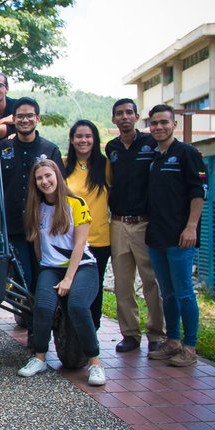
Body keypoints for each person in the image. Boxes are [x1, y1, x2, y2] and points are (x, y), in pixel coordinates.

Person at [18, 159, 105, 386]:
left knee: (77, 305)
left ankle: (95, 363)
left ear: (57, 176)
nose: (45, 181)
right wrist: (46, 273)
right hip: (51, 268)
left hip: (82, 267)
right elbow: (38, 246)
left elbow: (79, 245)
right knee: (43, 306)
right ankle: (39, 358)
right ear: (35, 183)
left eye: (48, 176)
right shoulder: (36, 209)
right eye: (39, 178)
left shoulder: (76, 204)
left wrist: (68, 278)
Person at [0, 97, 64, 292]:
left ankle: (40, 318)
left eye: (29, 116)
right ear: (13, 119)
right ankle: (27, 317)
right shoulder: (3, 147)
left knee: (44, 275)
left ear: (37, 118)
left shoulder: (50, 149)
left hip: (44, 226)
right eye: (20, 116)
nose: (25, 120)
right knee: (23, 278)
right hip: (13, 225)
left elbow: (61, 188)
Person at [145, 105, 207, 367]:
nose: (159, 127)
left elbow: (199, 192)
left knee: (184, 293)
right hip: (156, 235)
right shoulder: (155, 157)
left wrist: (191, 226)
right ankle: (172, 342)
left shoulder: (188, 153)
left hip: (181, 237)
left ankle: (190, 348)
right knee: (167, 293)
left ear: (174, 124)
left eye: (163, 122)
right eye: (154, 123)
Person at [105, 98, 165, 353]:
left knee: (151, 281)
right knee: (122, 283)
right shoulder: (112, 148)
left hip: (144, 222)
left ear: (137, 116)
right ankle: (130, 333)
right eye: (119, 114)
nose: (124, 117)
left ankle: (156, 334)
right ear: (114, 119)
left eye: (129, 113)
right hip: (118, 222)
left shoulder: (151, 144)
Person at [63, 120, 111, 330]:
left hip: (98, 239)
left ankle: (93, 330)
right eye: (79, 136)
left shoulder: (106, 166)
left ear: (95, 139)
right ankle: (70, 334)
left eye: (88, 136)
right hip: (68, 240)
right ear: (72, 140)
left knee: (94, 288)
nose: (84, 140)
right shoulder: (63, 165)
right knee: (69, 286)